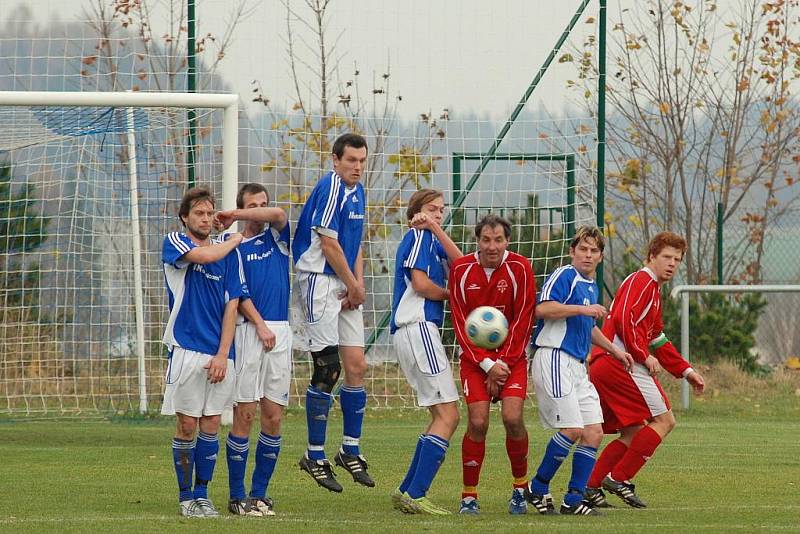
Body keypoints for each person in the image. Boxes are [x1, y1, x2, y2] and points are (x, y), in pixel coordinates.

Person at [584, 231, 706, 509]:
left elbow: (657, 338)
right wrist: (642, 355)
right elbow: (626, 321)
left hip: (606, 364)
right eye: (666, 257)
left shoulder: (652, 290)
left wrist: (686, 371)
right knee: (665, 421)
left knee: (632, 432)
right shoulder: (642, 281)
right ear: (651, 256)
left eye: (677, 259)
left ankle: (589, 487)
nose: (672, 263)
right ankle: (619, 479)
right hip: (620, 364)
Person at [526, 226, 634, 516]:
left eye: (594, 251)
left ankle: (573, 500)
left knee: (594, 432)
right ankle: (537, 488)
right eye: (583, 249)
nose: (588, 255)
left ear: (600, 257)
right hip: (553, 358)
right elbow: (543, 309)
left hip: (576, 365)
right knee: (572, 429)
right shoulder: (565, 275)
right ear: (572, 252)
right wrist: (583, 310)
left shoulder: (590, 286)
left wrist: (614, 350)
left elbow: (589, 328)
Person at [291, 133, 374, 492]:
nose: (356, 167)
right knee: (327, 368)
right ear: (335, 160)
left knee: (357, 366)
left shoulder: (359, 192)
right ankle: (314, 455)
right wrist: (351, 285)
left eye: (361, 161)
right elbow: (328, 243)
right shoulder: (332, 187)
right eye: (351, 160)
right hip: (318, 281)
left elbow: (353, 242)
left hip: (343, 280)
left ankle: (349, 451)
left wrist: (358, 284)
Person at [160, 186, 247, 518]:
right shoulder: (176, 242)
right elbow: (206, 256)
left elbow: (232, 306)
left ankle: (202, 495)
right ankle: (185, 498)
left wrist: (224, 353)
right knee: (187, 425)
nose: (207, 218)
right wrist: (235, 239)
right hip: (186, 347)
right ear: (185, 217)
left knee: (211, 423)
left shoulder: (229, 256)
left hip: (220, 353)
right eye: (199, 213)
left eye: (211, 213)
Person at [448, 214, 536, 515]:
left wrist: (502, 364)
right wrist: (486, 365)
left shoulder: (520, 268)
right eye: (486, 239)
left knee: (512, 418)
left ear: (507, 241)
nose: (492, 246)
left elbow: (523, 321)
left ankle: (520, 489)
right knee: (478, 422)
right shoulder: (460, 270)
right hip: (476, 361)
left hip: (511, 359)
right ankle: (469, 495)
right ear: (477, 241)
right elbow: (460, 324)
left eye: (498, 240)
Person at [213, 183, 291, 517]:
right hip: (249, 333)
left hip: (281, 332)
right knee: (244, 414)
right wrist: (259, 324)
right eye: (251, 205)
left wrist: (236, 214)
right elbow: (238, 293)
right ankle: (237, 495)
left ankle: (261, 494)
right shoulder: (231, 246)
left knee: (273, 416)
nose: (259, 210)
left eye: (261, 205)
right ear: (241, 207)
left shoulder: (278, 237)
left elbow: (278, 214)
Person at [389, 189, 463, 515]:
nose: (437, 214)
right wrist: (453, 297)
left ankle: (406, 489)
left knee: (439, 415)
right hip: (419, 328)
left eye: (441, 210)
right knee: (450, 415)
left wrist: (437, 228)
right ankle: (417, 493)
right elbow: (420, 284)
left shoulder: (431, 238)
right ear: (416, 212)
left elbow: (462, 265)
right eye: (431, 209)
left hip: (414, 331)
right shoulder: (419, 237)